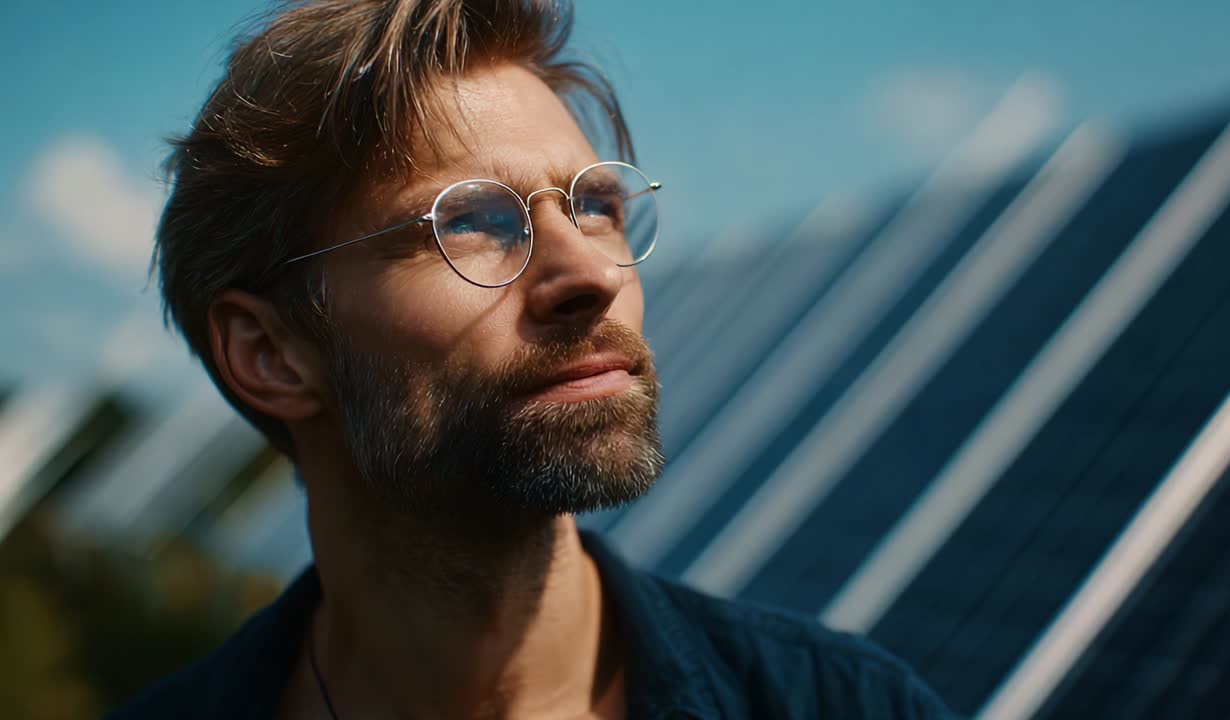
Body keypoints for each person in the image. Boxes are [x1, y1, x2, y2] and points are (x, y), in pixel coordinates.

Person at [111, 0, 953, 717]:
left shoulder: (849, 703)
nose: (591, 274)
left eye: (595, 206)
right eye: (470, 221)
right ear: (271, 353)